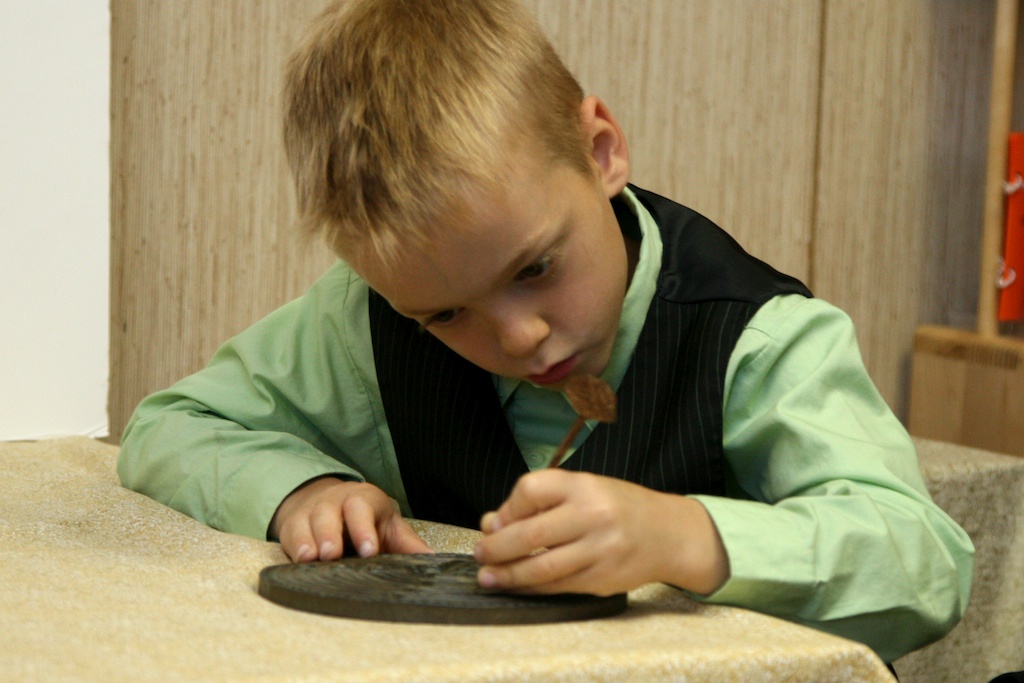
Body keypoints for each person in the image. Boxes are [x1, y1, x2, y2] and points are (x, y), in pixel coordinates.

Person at [117, 0, 973, 664]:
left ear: (600, 150)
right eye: (445, 315)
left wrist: (685, 536)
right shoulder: (364, 317)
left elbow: (927, 562)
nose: (520, 337)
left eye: (534, 268)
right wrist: (297, 488)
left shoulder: (756, 339)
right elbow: (172, 424)